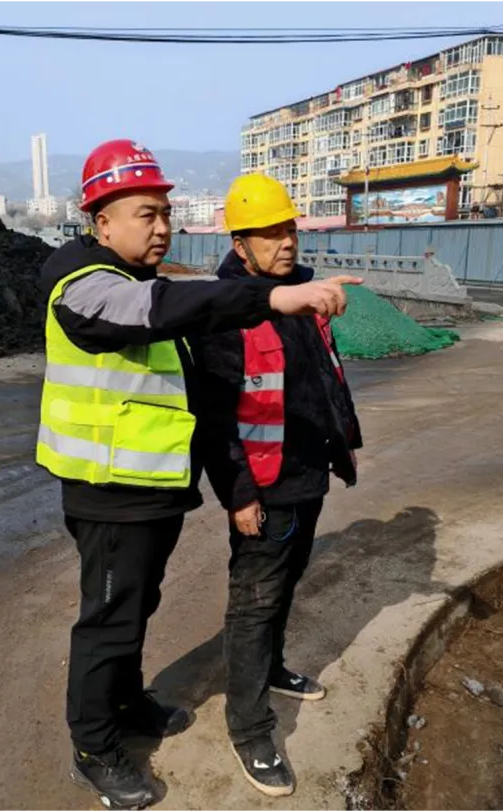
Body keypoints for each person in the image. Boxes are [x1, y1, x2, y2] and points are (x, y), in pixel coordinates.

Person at [36, 139, 361, 810]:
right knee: (108, 624)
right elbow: (163, 311)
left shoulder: (131, 278)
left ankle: (127, 705)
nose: (161, 228)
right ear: (101, 221)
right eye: (145, 214)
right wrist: (271, 299)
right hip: (108, 492)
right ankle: (94, 748)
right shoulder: (85, 285)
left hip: (149, 489)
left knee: (137, 610)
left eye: (165, 213)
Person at [193, 174, 362, 798]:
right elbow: (217, 418)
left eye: (290, 228)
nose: (286, 241)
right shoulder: (224, 312)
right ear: (240, 245)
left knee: (286, 584)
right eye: (270, 233)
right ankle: (250, 729)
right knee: (254, 601)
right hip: (264, 486)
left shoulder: (302, 293)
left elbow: (321, 380)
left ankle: (272, 669)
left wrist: (339, 443)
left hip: (306, 473)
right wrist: (239, 494)